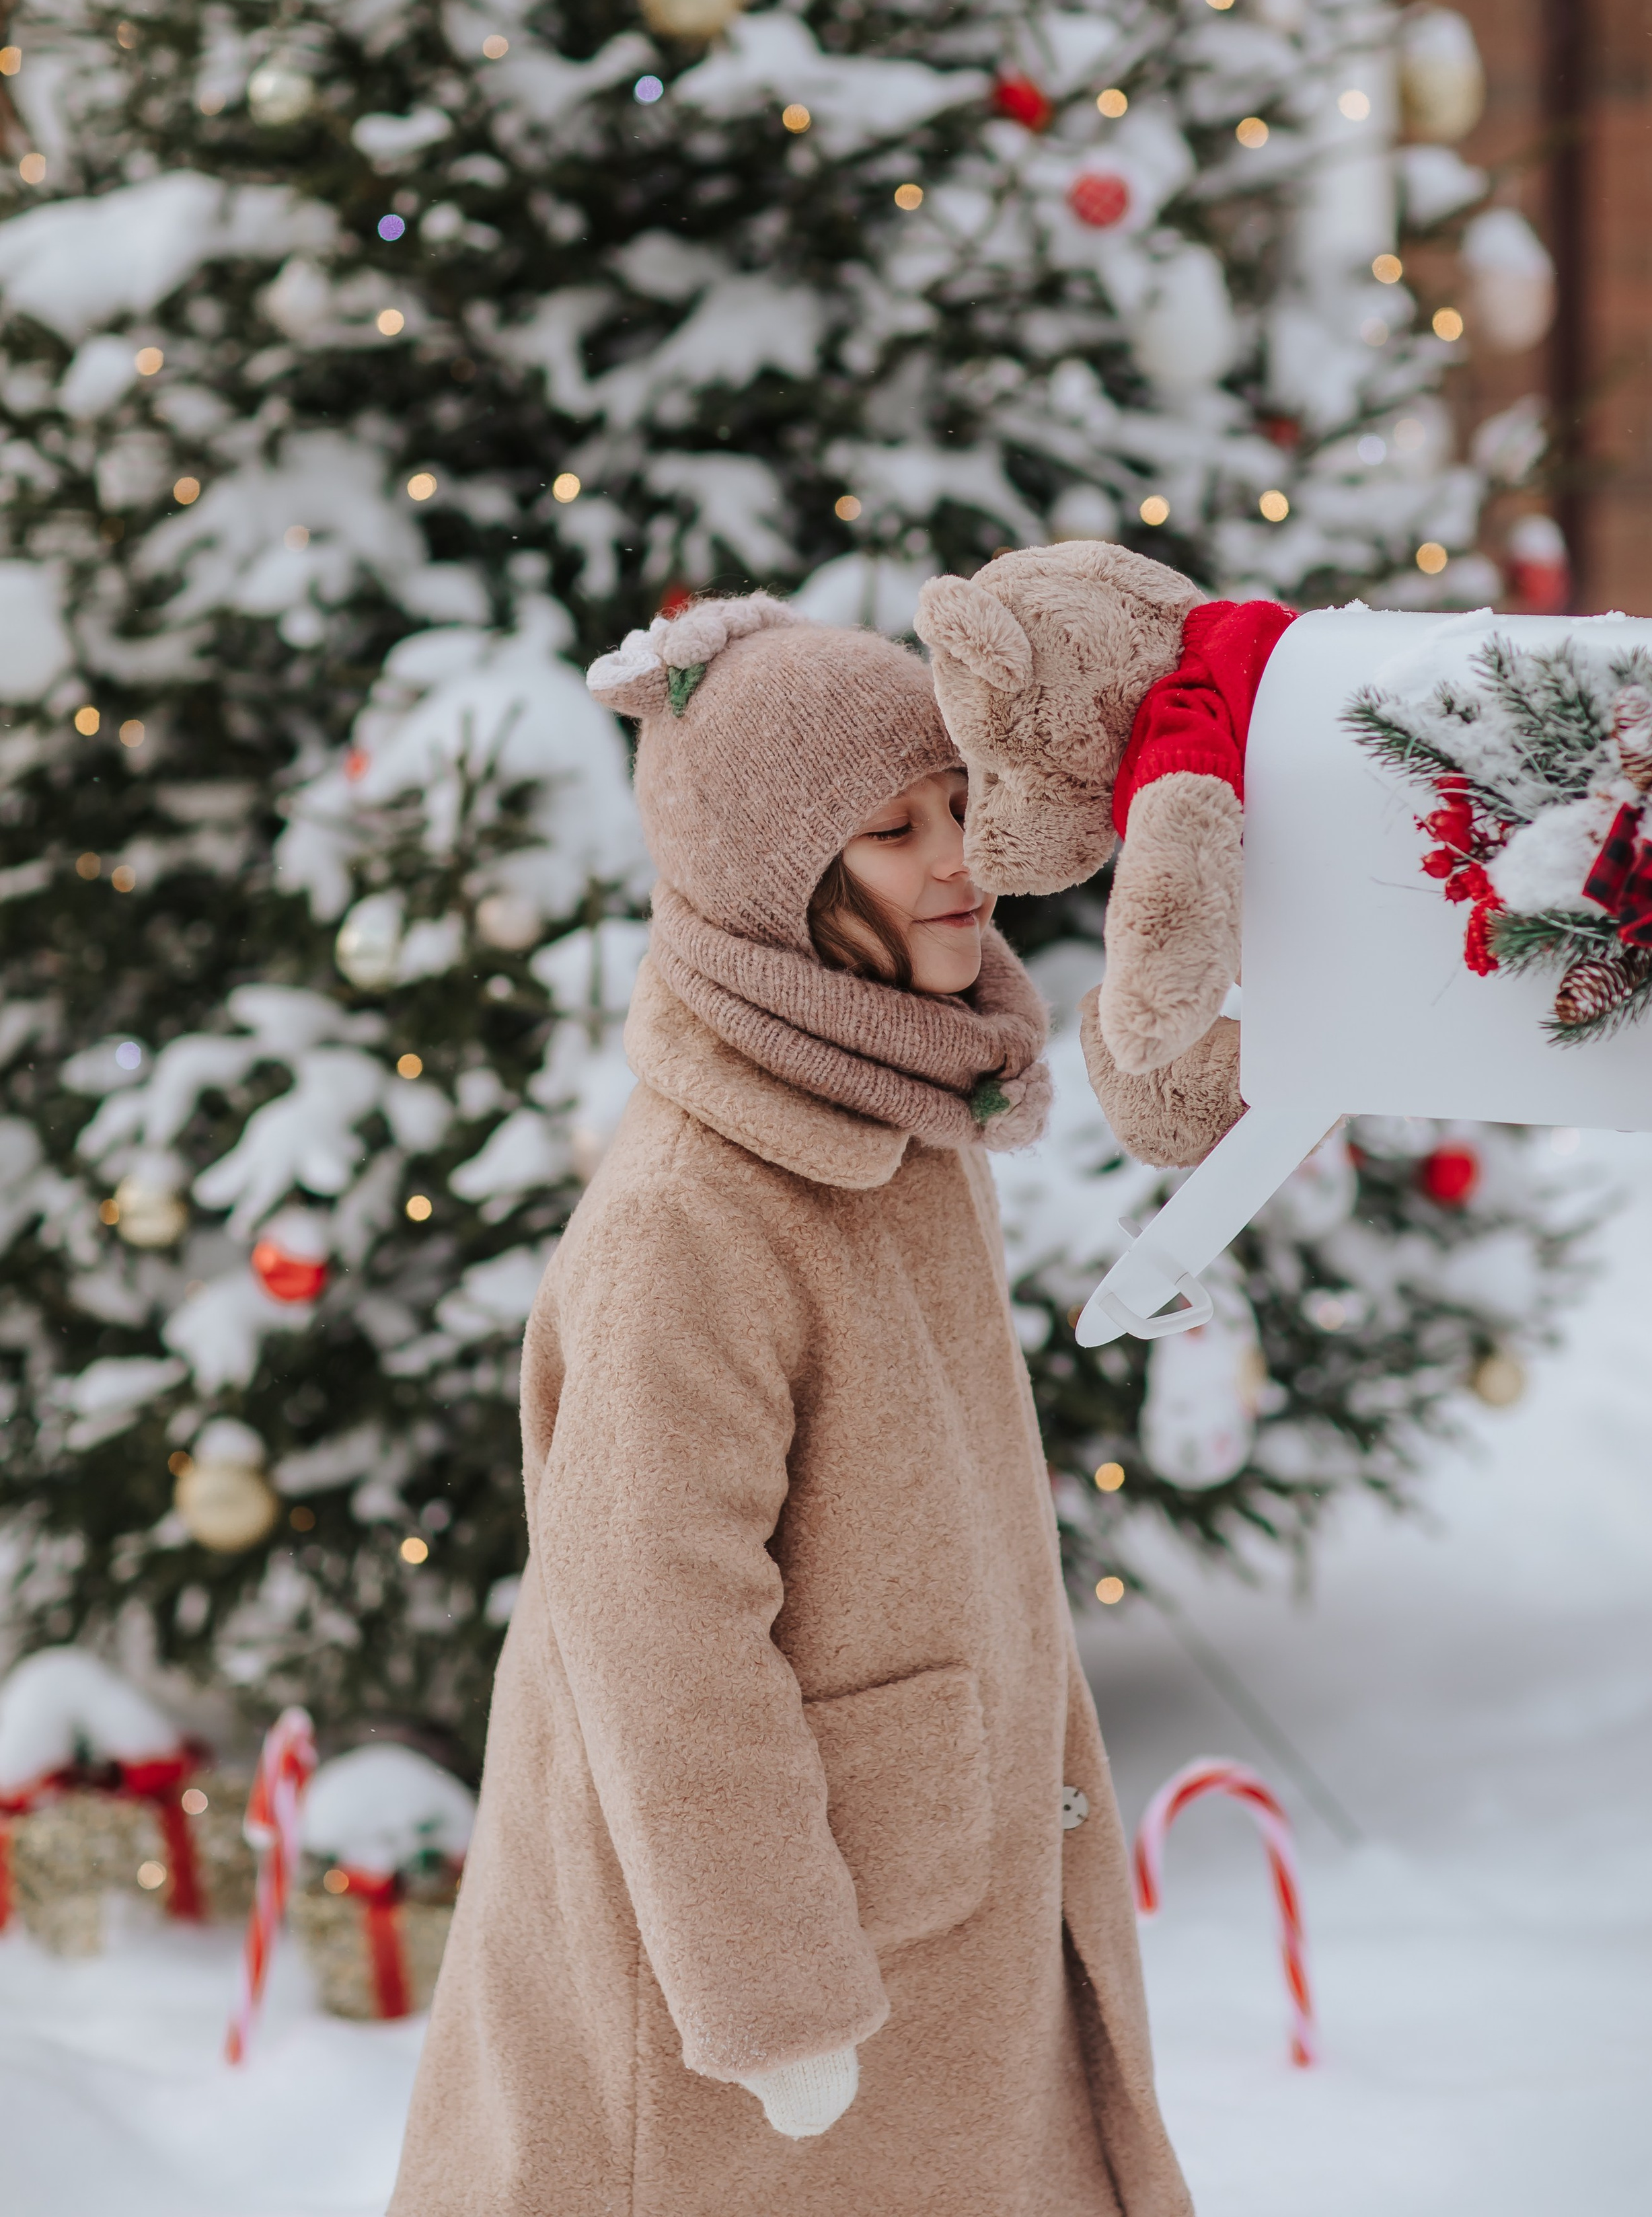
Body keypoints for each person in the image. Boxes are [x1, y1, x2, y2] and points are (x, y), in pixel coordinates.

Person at [389, 594, 1191, 2217]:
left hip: (931, 1908)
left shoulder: (891, 1106)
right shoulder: (690, 1215)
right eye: (889, 832)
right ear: (779, 884)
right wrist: (771, 1993)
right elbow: (655, 1628)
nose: (954, 855)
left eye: (956, 805)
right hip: (762, 1989)